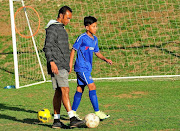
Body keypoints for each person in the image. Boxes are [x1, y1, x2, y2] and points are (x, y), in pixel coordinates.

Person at [43, 6, 85, 128]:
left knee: (58, 92)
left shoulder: (61, 28)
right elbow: (47, 47)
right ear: (61, 15)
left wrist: (67, 64)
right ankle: (72, 118)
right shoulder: (52, 28)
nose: (68, 21)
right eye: (67, 18)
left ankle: (56, 121)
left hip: (62, 64)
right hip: (57, 64)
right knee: (65, 90)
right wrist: (51, 62)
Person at [69, 16, 112, 120]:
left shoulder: (95, 39)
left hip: (87, 68)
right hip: (81, 67)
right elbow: (73, 49)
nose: (96, 28)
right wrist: (70, 65)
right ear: (87, 27)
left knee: (80, 88)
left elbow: (97, 52)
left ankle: (73, 112)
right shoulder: (82, 38)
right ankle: (97, 112)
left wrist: (105, 59)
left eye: (96, 26)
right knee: (92, 86)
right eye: (93, 26)